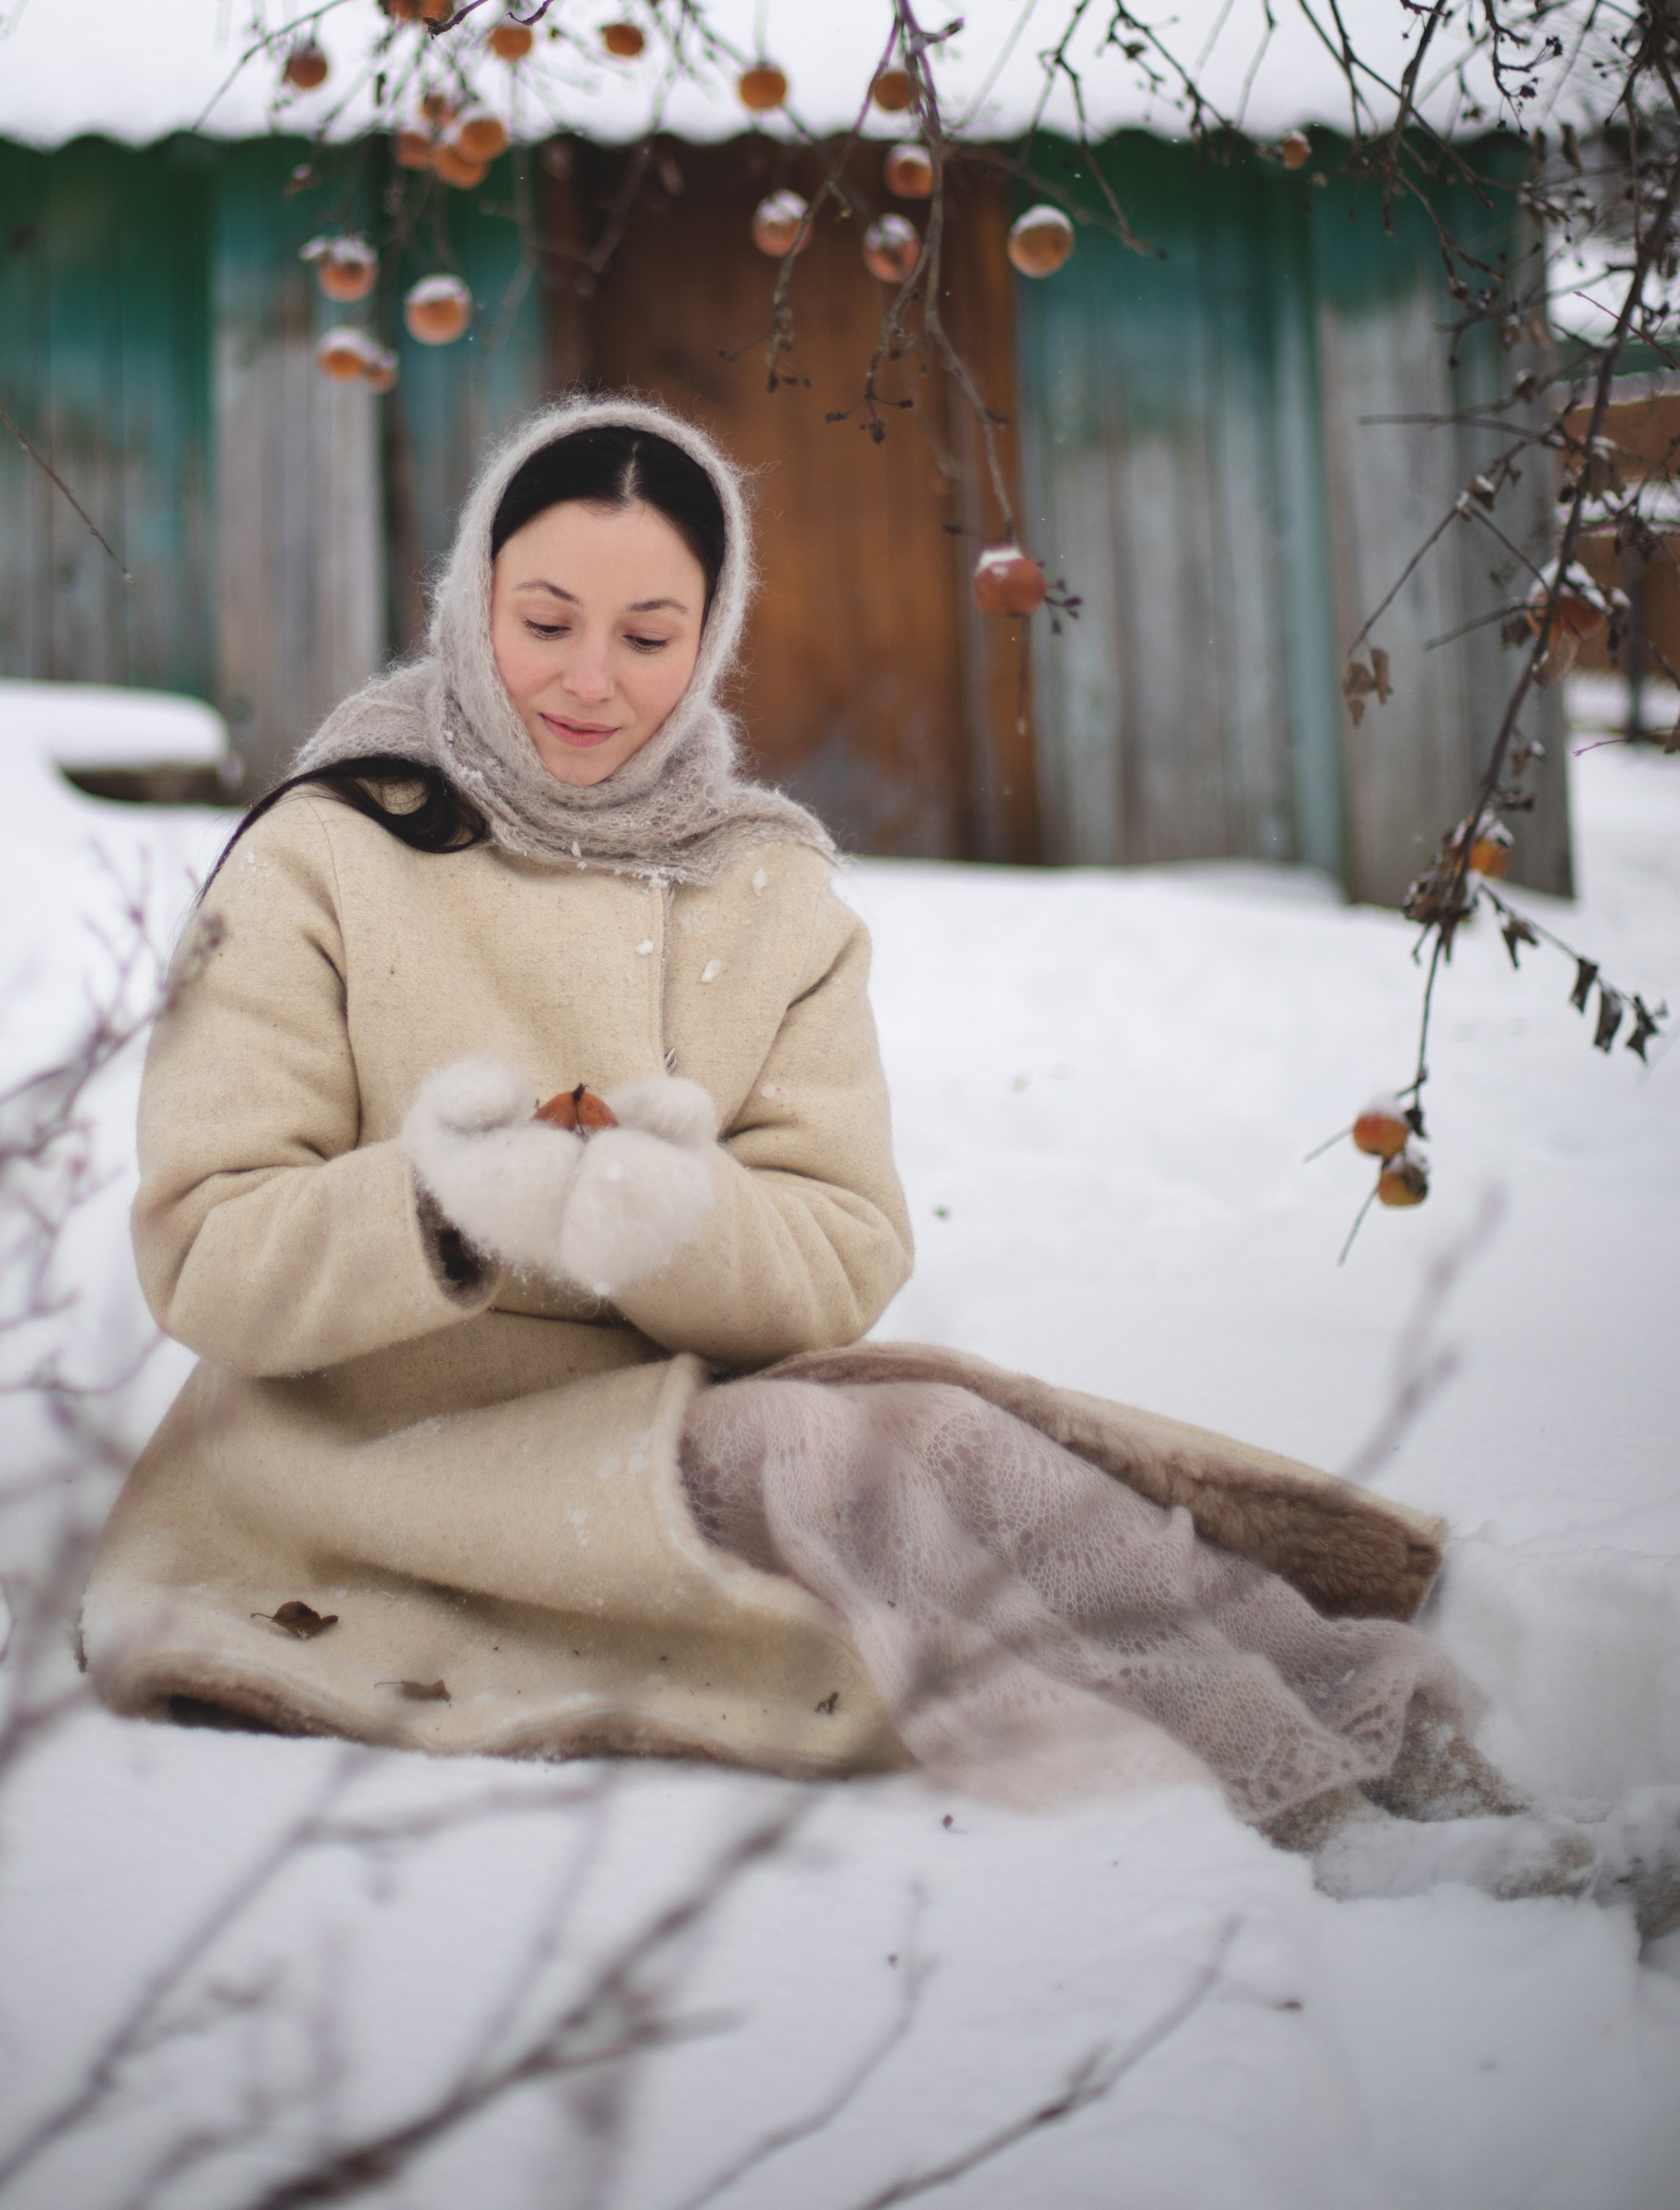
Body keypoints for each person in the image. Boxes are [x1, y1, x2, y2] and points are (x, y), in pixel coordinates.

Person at [84, 395, 1673, 1926]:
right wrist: (445, 1210)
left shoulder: (764, 890)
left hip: (658, 1420)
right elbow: (203, 1252)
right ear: (468, 598)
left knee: (957, 1458)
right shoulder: (330, 848)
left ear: (710, 640)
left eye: (649, 638)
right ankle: (1318, 1811)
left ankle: (1430, 1765)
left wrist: (669, 1217)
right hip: (369, 1471)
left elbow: (841, 1249)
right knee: (872, 1461)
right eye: (545, 619)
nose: (589, 679)